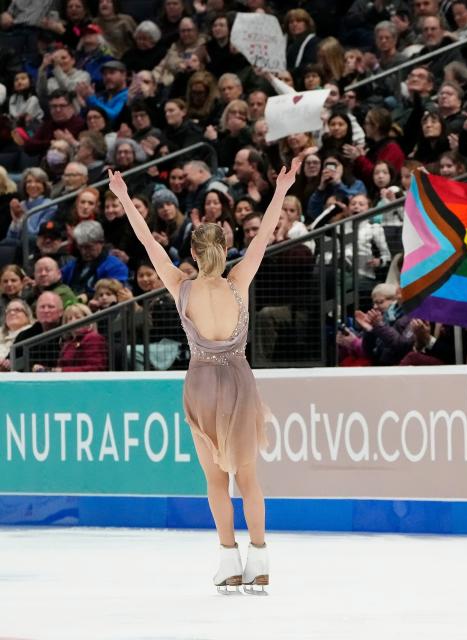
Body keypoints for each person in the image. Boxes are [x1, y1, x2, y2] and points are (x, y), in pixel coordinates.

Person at [107, 157, 303, 593]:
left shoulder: (181, 284)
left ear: (194, 252)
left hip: (201, 383)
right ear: (224, 246)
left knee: (216, 478)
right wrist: (281, 190)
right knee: (248, 476)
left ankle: (228, 560)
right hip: (239, 379)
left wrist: (123, 196)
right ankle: (260, 557)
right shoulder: (240, 279)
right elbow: (266, 234)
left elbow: (146, 241)